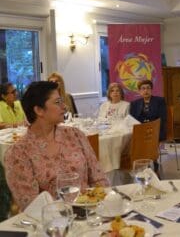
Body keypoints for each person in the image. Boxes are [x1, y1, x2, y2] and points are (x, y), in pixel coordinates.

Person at [4, 81, 109, 210]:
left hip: (92, 214)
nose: (64, 107)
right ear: (39, 110)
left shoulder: (75, 135)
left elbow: (99, 179)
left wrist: (107, 207)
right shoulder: (18, 153)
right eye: (58, 102)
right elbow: (31, 205)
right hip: (51, 224)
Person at [129, 80, 167, 172]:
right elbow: (132, 120)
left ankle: (153, 162)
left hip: (156, 130)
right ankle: (139, 163)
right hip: (140, 131)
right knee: (132, 139)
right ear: (139, 91)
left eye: (148, 88)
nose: (146, 91)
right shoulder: (134, 104)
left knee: (149, 138)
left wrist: (153, 129)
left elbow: (163, 119)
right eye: (143, 88)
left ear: (151, 90)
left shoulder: (160, 101)